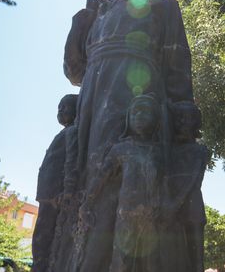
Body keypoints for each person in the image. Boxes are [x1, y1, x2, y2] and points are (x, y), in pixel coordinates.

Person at [64, 0, 194, 186]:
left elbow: (177, 66)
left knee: (126, 181)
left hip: (137, 99)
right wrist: (81, 23)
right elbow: (74, 73)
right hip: (91, 105)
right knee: (84, 181)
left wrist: (182, 113)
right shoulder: (97, 13)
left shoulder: (162, 5)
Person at [75, 94, 190, 272]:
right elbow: (101, 178)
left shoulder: (160, 152)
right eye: (135, 112)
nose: (139, 116)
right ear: (128, 118)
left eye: (146, 111)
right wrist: (87, 203)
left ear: (156, 120)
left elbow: (166, 184)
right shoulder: (121, 148)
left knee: (152, 264)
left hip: (153, 215)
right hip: (126, 214)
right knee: (122, 261)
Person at [32, 94, 78, 272]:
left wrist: (67, 189)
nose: (60, 110)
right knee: (41, 233)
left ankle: (42, 266)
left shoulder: (72, 132)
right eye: (59, 107)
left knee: (44, 235)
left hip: (54, 194)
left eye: (64, 106)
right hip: (47, 193)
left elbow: (71, 159)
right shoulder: (64, 132)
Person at [168, 101, 208, 272]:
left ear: (195, 123)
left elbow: (192, 180)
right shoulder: (169, 151)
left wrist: (174, 203)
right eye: (178, 119)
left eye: (187, 119)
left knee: (196, 257)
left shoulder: (200, 151)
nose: (182, 123)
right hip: (172, 206)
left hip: (191, 207)